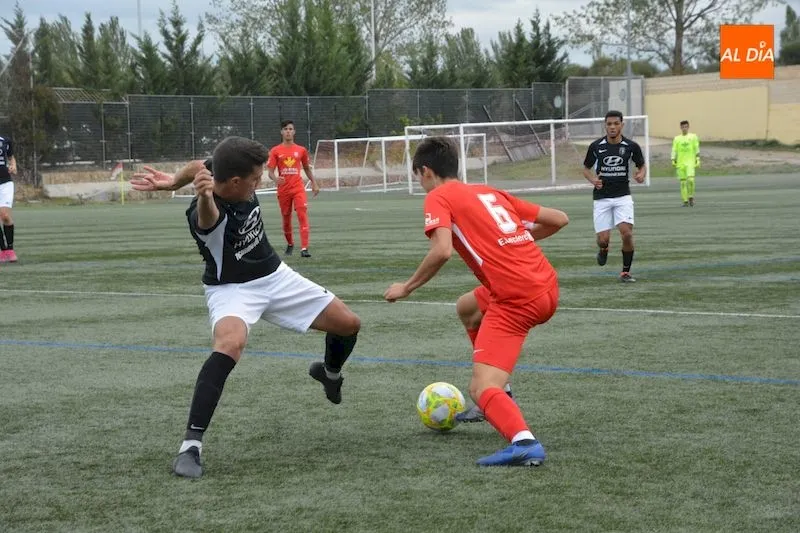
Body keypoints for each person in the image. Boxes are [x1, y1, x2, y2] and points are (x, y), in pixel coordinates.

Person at [130, 137, 360, 479]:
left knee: (349, 323)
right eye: (254, 180)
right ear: (234, 182)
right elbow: (208, 219)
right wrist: (203, 195)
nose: (260, 183)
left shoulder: (221, 169)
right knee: (230, 343)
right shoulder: (203, 212)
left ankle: (328, 373)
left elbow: (198, 165)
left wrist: (170, 183)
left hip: (274, 275)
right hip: (232, 289)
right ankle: (190, 446)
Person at [383, 137, 569, 467]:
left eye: (417, 177)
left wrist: (407, 287)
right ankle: (502, 396)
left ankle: (523, 441)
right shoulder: (488, 192)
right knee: (467, 308)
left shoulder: (438, 197)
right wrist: (511, 241)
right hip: (546, 285)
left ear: (426, 171)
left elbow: (442, 251)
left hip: (517, 299)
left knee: (480, 386)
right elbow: (559, 218)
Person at [582, 110, 646, 283]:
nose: (612, 127)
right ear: (605, 125)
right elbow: (586, 169)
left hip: (622, 196)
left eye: (616, 124)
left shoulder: (631, 146)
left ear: (622, 125)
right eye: (609, 124)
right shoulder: (596, 146)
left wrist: (641, 175)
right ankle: (604, 249)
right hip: (601, 198)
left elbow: (641, 165)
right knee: (603, 240)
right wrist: (594, 180)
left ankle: (625, 272)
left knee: (626, 234)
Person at [267, 120, 320, 258]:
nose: (288, 131)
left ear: (294, 132)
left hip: (298, 188)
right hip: (283, 190)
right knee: (286, 218)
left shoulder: (301, 150)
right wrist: (275, 179)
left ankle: (304, 248)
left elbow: (307, 168)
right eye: (285, 129)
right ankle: (290, 244)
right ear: (281, 132)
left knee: (302, 214)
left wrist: (314, 182)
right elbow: (270, 172)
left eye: (290, 129)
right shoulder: (275, 150)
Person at [672, 120, 700, 207]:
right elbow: (674, 149)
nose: (684, 128)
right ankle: (685, 201)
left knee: (691, 180)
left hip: (690, 162)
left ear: (688, 127)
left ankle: (691, 197)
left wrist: (698, 158)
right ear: (680, 128)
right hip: (680, 163)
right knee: (683, 183)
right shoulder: (677, 139)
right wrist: (673, 159)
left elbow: (696, 148)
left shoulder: (693, 137)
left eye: (686, 127)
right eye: (683, 127)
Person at [0, 134, 18, 263]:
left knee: (5, 215)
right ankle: (3, 250)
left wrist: (13, 165)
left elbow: (11, 158)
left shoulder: (5, 140)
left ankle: (10, 249)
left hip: (5, 182)